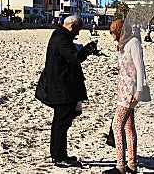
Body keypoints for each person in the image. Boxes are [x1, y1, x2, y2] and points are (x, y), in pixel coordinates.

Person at [35, 15, 97, 168]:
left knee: (63, 121)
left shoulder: (61, 36)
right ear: (71, 25)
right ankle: (59, 157)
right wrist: (87, 50)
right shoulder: (61, 38)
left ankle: (60, 154)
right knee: (61, 123)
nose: (78, 33)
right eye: (78, 29)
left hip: (62, 87)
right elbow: (74, 57)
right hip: (61, 89)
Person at [103, 19, 145, 174]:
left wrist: (139, 90)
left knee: (116, 125)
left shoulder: (134, 43)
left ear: (120, 30)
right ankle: (132, 164)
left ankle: (120, 166)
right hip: (122, 89)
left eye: (114, 32)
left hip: (130, 90)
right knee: (128, 126)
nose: (113, 36)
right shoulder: (124, 44)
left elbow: (140, 68)